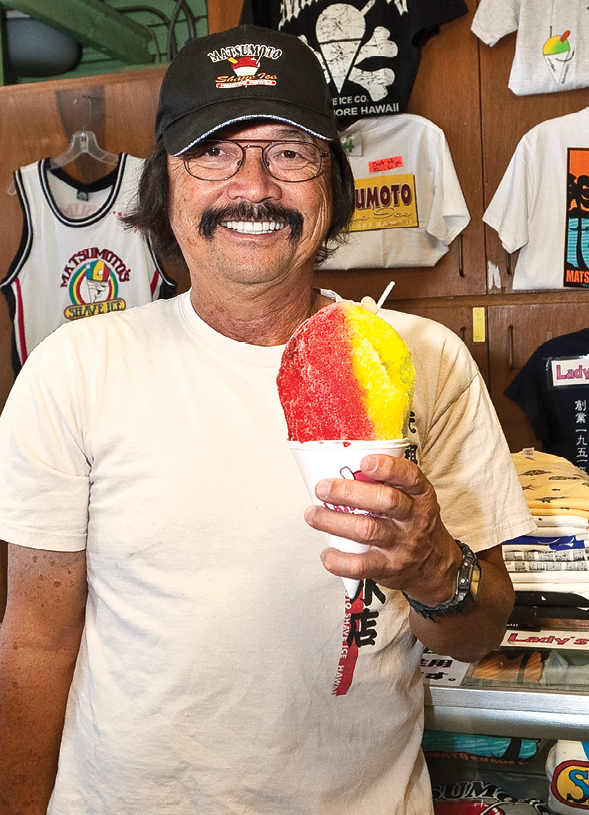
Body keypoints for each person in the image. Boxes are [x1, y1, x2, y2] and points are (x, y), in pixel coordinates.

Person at [0, 24, 534, 815]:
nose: (252, 186)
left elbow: (482, 626)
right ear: (166, 186)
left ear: (333, 182)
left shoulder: (423, 359)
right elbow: (36, 640)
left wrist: (431, 570)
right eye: (213, 152)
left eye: (290, 152)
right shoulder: (75, 368)